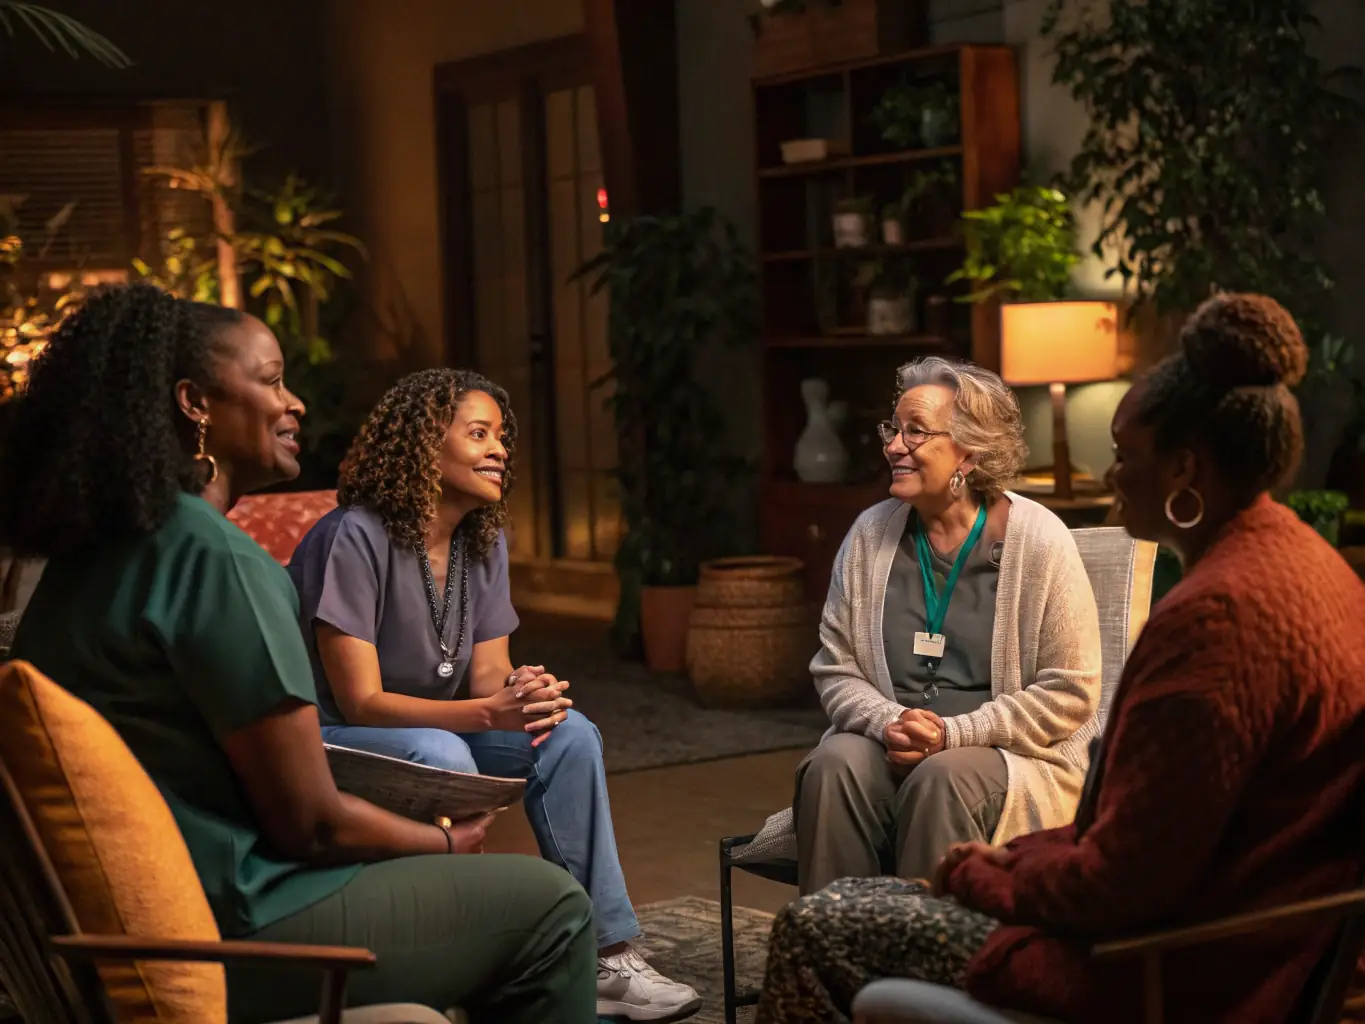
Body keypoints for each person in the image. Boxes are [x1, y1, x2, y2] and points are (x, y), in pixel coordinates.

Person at [755, 293, 1365, 1024]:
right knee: (841, 796)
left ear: (1183, 470)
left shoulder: (1212, 621)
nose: (1110, 478)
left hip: (1143, 971)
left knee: (813, 926)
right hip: (1224, 940)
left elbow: (1123, 880)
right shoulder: (1311, 567)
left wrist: (986, 876)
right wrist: (1029, 859)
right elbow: (1142, 840)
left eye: (1121, 456)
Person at [0, 284, 597, 1024]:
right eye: (272, 379)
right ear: (196, 403)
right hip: (234, 919)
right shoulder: (212, 558)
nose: (296, 403)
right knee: (551, 907)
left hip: (106, 924)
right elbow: (309, 823)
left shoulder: (93, 550)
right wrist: (442, 843)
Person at [287, 368, 702, 1023]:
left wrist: (523, 692)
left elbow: (487, 677)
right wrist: (487, 712)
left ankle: (608, 958)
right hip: (334, 738)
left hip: (438, 730)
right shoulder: (354, 535)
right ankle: (457, 958)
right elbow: (361, 701)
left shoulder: (482, 540)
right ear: (424, 446)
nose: (500, 449)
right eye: (478, 433)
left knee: (566, 733)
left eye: (501, 436)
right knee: (440, 750)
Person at [792, 356, 1102, 894]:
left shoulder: (1040, 540)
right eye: (894, 429)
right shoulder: (870, 535)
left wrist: (952, 734)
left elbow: (1070, 692)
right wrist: (889, 721)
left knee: (943, 778)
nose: (893, 446)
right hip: (891, 741)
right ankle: (834, 957)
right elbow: (836, 668)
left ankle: (928, 965)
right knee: (832, 764)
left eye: (916, 432)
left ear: (968, 449)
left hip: (1009, 755)